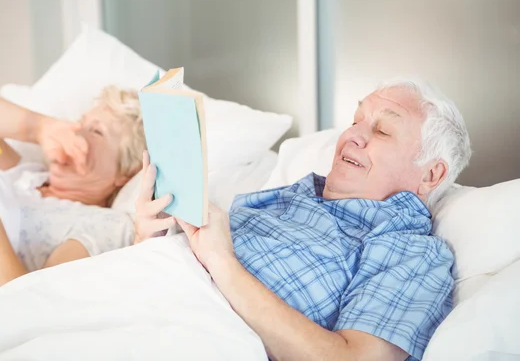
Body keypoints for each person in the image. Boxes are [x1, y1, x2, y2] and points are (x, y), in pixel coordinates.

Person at [134, 78, 471, 361]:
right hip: (134, 303)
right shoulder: (286, 198)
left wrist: (222, 261)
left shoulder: (410, 251)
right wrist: (147, 240)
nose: (352, 135)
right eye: (356, 120)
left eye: (382, 130)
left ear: (431, 174)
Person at [0, 85, 145, 291]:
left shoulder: (105, 225)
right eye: (80, 122)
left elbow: (29, 299)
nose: (74, 131)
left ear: (127, 172)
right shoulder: (26, 172)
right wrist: (39, 127)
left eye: (96, 131)